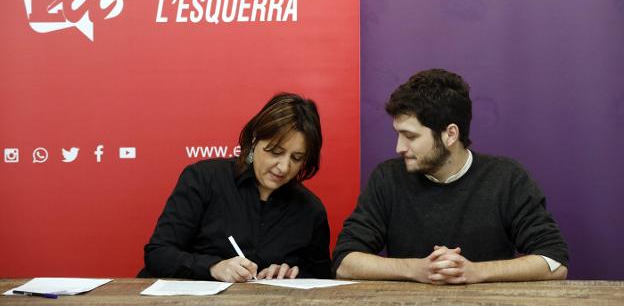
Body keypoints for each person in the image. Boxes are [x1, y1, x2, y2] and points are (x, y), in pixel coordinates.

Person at [333, 69, 569, 284]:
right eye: (398, 134)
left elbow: (554, 262)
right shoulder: (388, 178)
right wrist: (418, 269)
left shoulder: (507, 179)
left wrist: (475, 272)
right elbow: (345, 262)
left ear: (450, 134)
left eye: (410, 136)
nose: (399, 147)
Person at [141, 93, 331, 282]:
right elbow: (158, 254)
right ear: (255, 139)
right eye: (275, 152)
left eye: (296, 158)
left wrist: (292, 275)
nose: (283, 167)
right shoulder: (204, 179)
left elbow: (322, 280)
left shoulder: (310, 210)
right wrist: (213, 267)